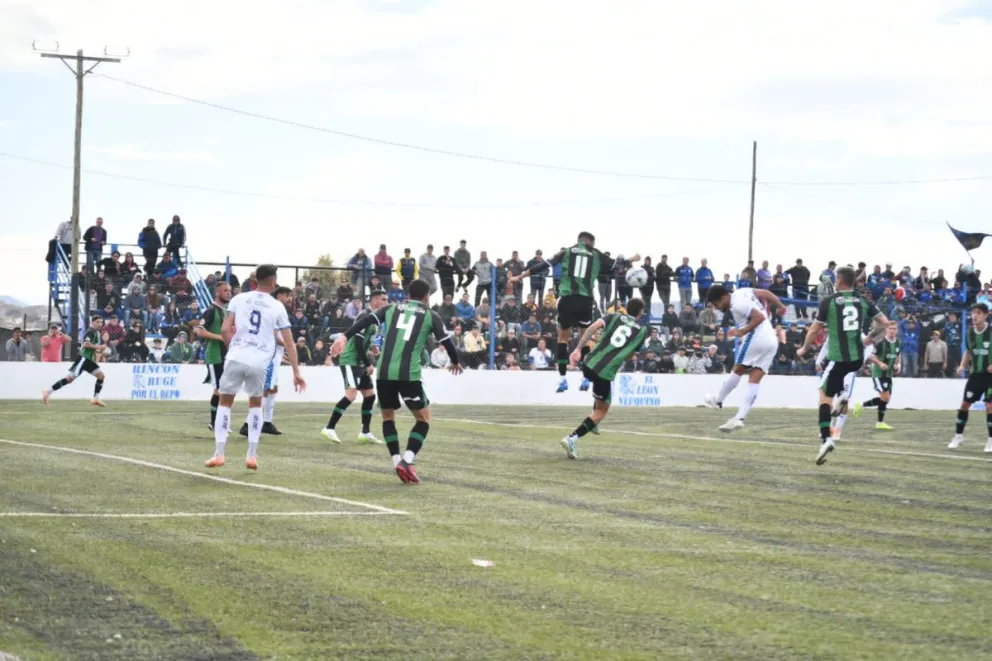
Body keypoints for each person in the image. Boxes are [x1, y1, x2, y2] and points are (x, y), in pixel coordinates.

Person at [331, 279, 461, 484]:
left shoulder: (391, 308)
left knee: (388, 418)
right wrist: (455, 361)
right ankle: (407, 460)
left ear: (408, 295)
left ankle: (396, 461)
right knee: (424, 419)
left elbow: (364, 321)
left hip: (383, 373)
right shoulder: (430, 315)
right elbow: (447, 342)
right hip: (409, 375)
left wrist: (344, 337)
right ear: (426, 296)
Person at [508, 231, 639, 393]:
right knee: (585, 338)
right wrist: (632, 259)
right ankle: (586, 378)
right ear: (590, 242)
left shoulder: (566, 252)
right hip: (586, 301)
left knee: (563, 339)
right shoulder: (596, 254)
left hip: (567, 298)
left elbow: (542, 266)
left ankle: (563, 379)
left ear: (579, 241)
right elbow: (618, 265)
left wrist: (519, 277)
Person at [207, 265, 306, 471]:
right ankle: (251, 455)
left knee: (225, 403)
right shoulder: (277, 307)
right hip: (259, 361)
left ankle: (219, 453)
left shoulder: (238, 299)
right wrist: (296, 372)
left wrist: (232, 346)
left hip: (236, 356)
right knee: (255, 405)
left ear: (254, 281)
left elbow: (225, 329)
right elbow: (289, 343)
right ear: (273, 282)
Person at [797, 266, 887, 465]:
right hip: (857, 359)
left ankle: (826, 439)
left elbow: (814, 330)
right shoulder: (863, 300)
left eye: (835, 279)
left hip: (838, 359)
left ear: (839, 280)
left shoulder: (829, 301)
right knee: (839, 381)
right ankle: (842, 397)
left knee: (823, 396)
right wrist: (869, 338)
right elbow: (884, 323)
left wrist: (804, 348)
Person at [559, 299, 648, 459]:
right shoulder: (641, 331)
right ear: (640, 312)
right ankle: (572, 438)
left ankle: (593, 424)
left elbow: (592, 327)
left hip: (588, 363)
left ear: (626, 308)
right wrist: (621, 356)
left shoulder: (613, 316)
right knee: (602, 410)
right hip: (604, 372)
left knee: (602, 398)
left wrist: (578, 348)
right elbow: (630, 355)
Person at [703, 284, 787, 431]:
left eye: (716, 304)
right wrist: (781, 306)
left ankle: (718, 401)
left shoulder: (736, 305)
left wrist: (742, 332)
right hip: (771, 340)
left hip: (756, 337)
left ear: (724, 297)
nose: (717, 308)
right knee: (754, 378)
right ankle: (740, 418)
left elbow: (759, 317)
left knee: (737, 369)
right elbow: (765, 293)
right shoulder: (743, 292)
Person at [322, 288, 389, 444]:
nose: (386, 302)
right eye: (383, 299)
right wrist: (368, 364)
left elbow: (364, 340)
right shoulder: (366, 315)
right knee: (351, 395)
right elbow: (358, 342)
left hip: (358, 360)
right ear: (375, 300)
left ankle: (365, 432)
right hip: (351, 359)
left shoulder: (376, 318)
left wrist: (372, 346)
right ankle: (329, 428)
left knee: (370, 395)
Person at [240, 286, 294, 437]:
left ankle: (267, 422)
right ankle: (247, 424)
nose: (290, 299)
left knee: (272, 389)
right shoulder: (275, 309)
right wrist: (288, 345)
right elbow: (273, 334)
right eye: (287, 295)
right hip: (269, 357)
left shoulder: (276, 309)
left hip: (274, 357)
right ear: (280, 295)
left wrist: (282, 354)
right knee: (264, 390)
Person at [948, 303, 992, 452]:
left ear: (986, 315)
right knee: (964, 405)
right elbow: (968, 351)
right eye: (973, 313)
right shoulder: (969, 333)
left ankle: (991, 440)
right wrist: (962, 366)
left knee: (989, 406)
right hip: (975, 375)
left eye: (978, 313)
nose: (974, 316)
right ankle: (958, 436)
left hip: (990, 378)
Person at [42, 317, 107, 407]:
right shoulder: (90, 332)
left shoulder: (96, 332)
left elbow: (92, 347)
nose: (100, 324)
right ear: (92, 322)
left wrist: (99, 350)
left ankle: (95, 398)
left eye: (101, 322)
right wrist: (99, 347)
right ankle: (48, 391)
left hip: (88, 360)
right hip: (83, 359)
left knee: (101, 376)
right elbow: (86, 344)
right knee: (69, 379)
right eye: (97, 322)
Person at [195, 280, 232, 430]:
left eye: (230, 290)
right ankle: (215, 422)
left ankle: (220, 422)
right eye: (225, 290)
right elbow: (199, 330)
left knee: (225, 389)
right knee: (219, 389)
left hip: (226, 355)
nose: (229, 293)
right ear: (217, 293)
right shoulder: (211, 310)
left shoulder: (226, 311)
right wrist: (220, 337)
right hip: (214, 354)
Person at [859, 321, 901, 431]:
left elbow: (898, 354)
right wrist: (880, 363)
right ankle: (880, 422)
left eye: (894, 329)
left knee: (886, 399)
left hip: (888, 374)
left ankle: (861, 405)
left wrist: (898, 365)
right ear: (886, 330)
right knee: (885, 398)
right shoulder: (881, 343)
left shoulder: (898, 343)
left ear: (897, 330)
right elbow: (871, 356)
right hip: (878, 374)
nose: (892, 331)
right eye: (890, 328)